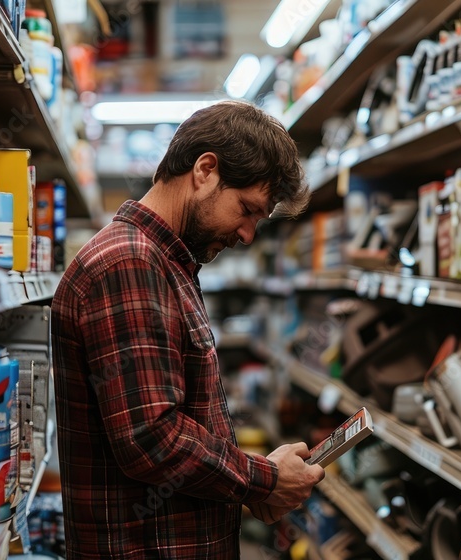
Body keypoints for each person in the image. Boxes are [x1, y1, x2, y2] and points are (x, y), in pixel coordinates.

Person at [51, 100, 324, 559]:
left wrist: (248, 485)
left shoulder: (167, 263)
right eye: (247, 209)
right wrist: (264, 478)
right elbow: (152, 438)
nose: (247, 235)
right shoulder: (130, 263)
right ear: (205, 170)